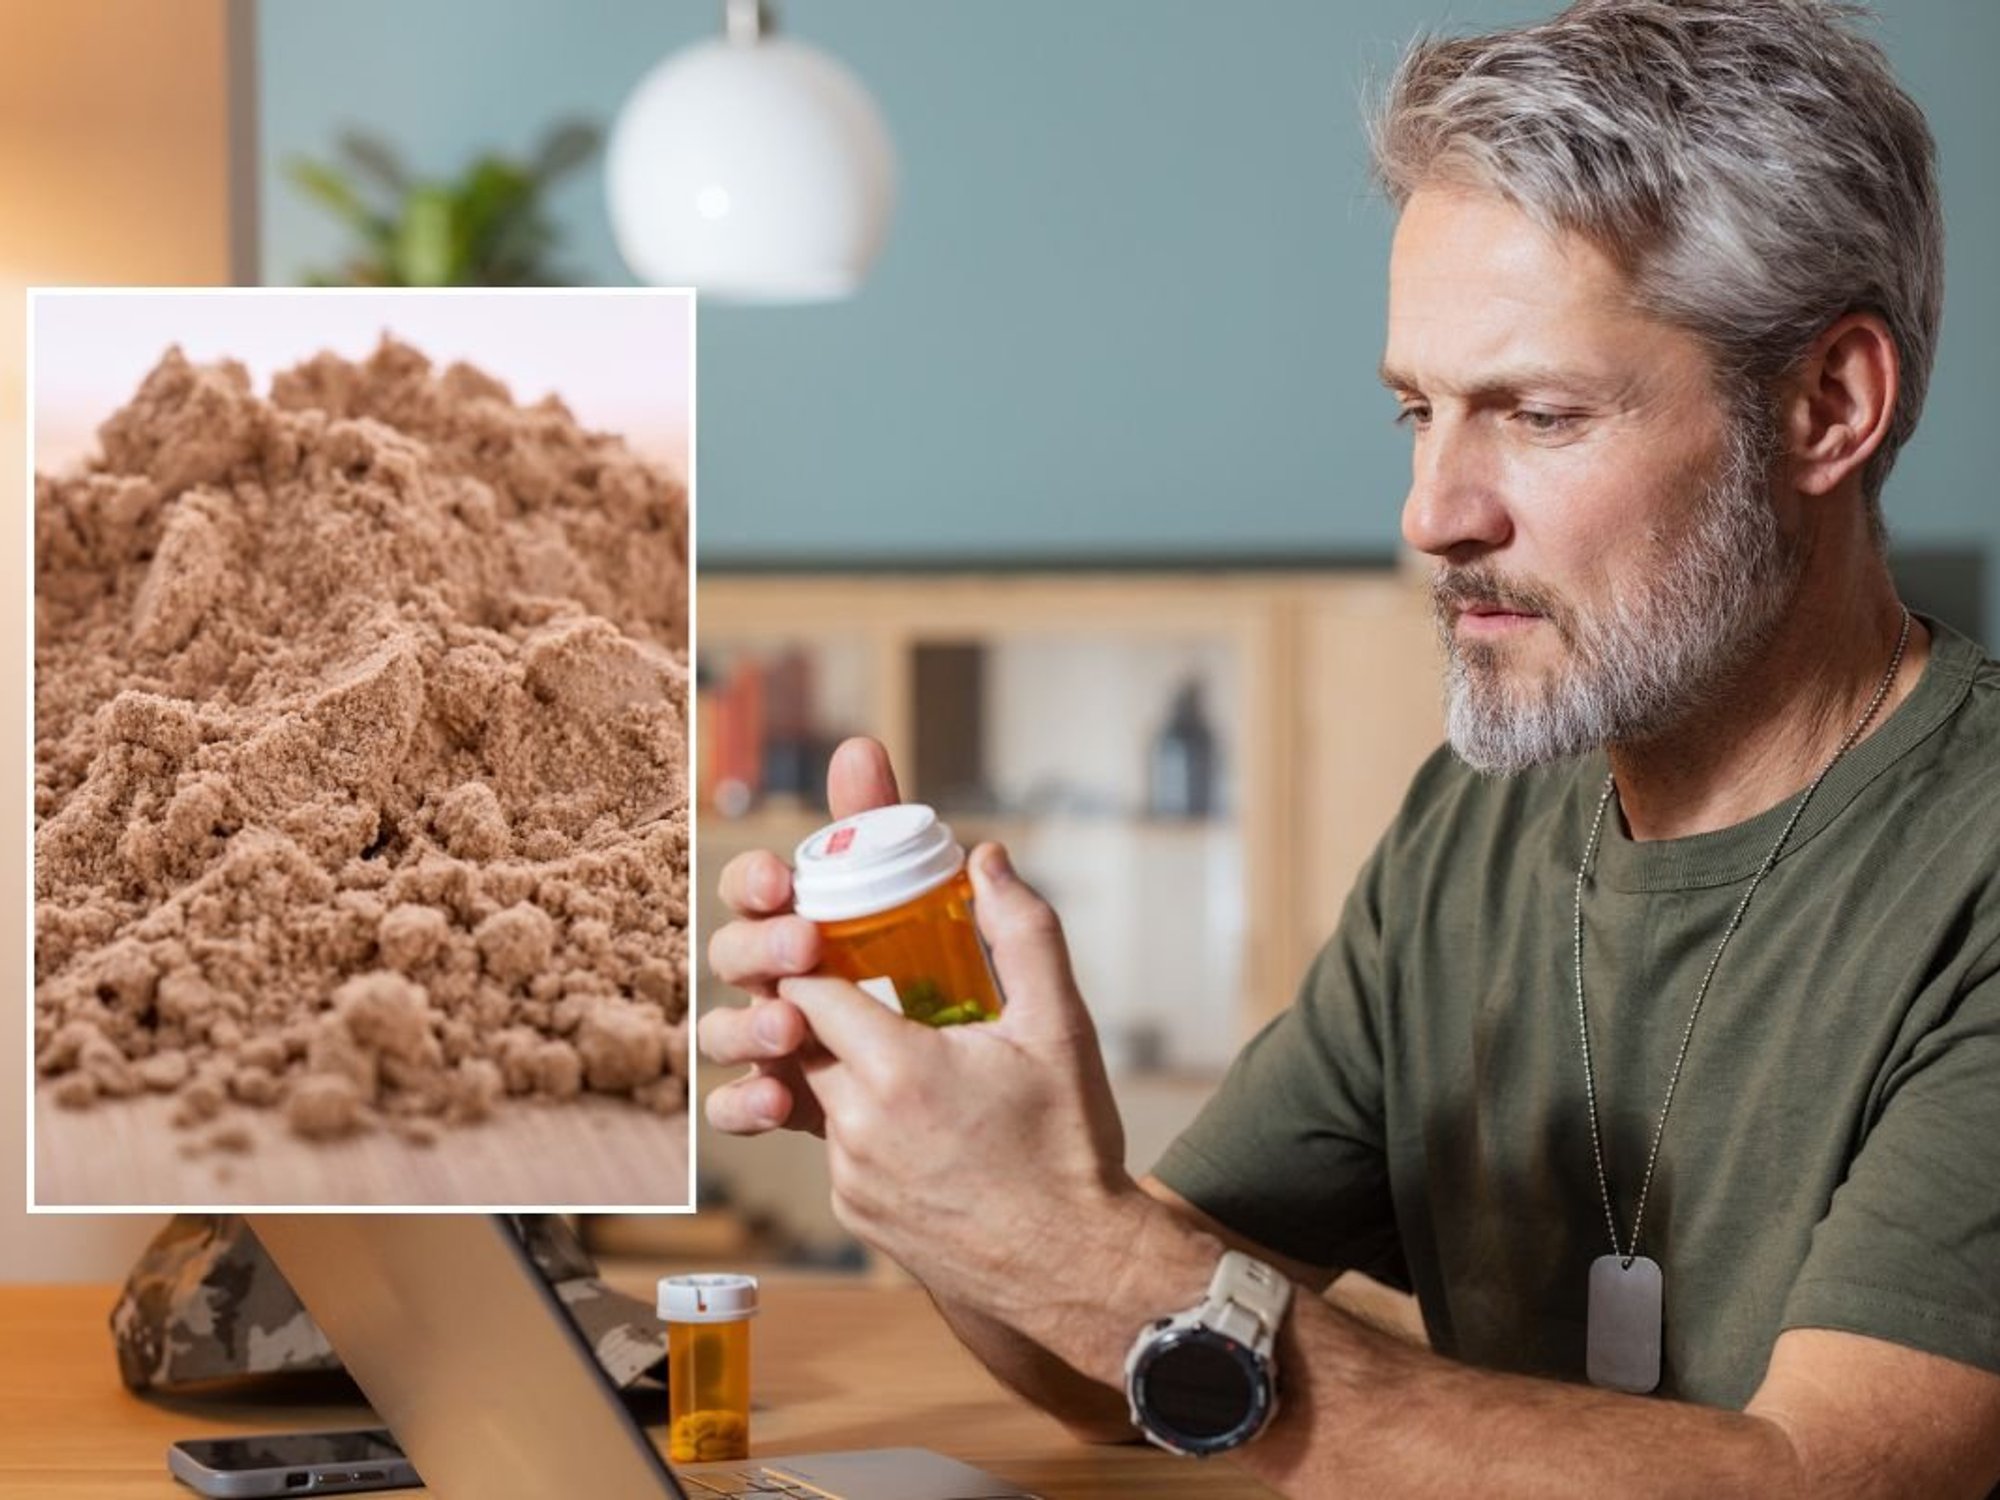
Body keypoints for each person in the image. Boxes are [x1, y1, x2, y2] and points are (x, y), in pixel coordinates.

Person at [702, 2, 2000, 1493]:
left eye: (1538, 413)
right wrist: (943, 1137)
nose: (1433, 514)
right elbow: (1114, 1371)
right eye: (1416, 412)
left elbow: (1822, 1482)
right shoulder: (1477, 824)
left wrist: (1079, 1244)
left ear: (1825, 407)